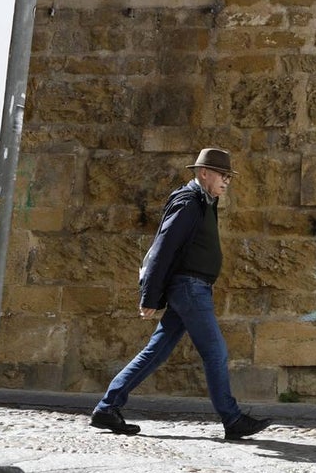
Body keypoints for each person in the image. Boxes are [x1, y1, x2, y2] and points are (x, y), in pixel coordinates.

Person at [89, 148, 272, 441]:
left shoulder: (205, 202)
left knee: (156, 352)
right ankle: (232, 418)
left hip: (194, 288)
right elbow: (163, 248)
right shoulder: (188, 202)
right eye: (222, 175)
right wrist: (149, 296)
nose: (227, 181)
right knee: (216, 352)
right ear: (203, 173)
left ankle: (107, 408)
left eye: (229, 176)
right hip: (189, 288)